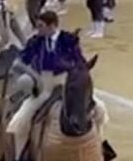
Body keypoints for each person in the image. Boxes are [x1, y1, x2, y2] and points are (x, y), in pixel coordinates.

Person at [8, 11, 88, 160]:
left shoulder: (68, 40)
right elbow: (18, 63)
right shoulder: (36, 41)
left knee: (100, 111)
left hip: (67, 84)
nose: (38, 30)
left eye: (41, 26)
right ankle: (20, 157)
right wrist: (32, 74)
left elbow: (80, 62)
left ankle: (99, 150)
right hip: (45, 86)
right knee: (19, 122)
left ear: (52, 26)